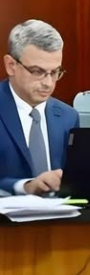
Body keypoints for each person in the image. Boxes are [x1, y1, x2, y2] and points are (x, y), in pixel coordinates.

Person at [0, 19, 78, 196]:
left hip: (60, 212)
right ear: (11, 65)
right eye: (37, 71)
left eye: (55, 72)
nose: (48, 83)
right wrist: (25, 186)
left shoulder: (68, 117)